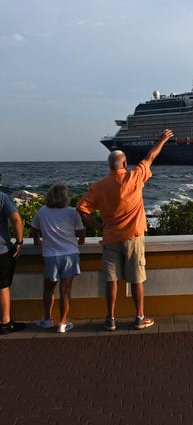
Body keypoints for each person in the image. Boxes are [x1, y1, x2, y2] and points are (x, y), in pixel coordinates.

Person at [77, 129, 173, 331]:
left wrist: (96, 225)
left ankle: (110, 319)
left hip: (110, 238)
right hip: (133, 237)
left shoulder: (98, 186)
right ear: (124, 163)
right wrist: (162, 139)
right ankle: (139, 317)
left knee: (111, 281)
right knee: (137, 279)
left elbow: (82, 210)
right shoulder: (134, 177)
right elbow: (150, 156)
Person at [31, 184, 86, 333]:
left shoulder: (43, 211)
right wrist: (80, 242)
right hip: (69, 255)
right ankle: (62, 323)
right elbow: (81, 234)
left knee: (49, 289)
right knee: (65, 291)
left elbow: (34, 228)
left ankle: (48, 319)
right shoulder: (72, 212)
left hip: (50, 256)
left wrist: (37, 241)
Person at [0, 191, 26, 335]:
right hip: (2, 251)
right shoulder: (3, 197)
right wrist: (19, 242)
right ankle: (5, 323)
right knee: (2, 286)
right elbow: (16, 219)